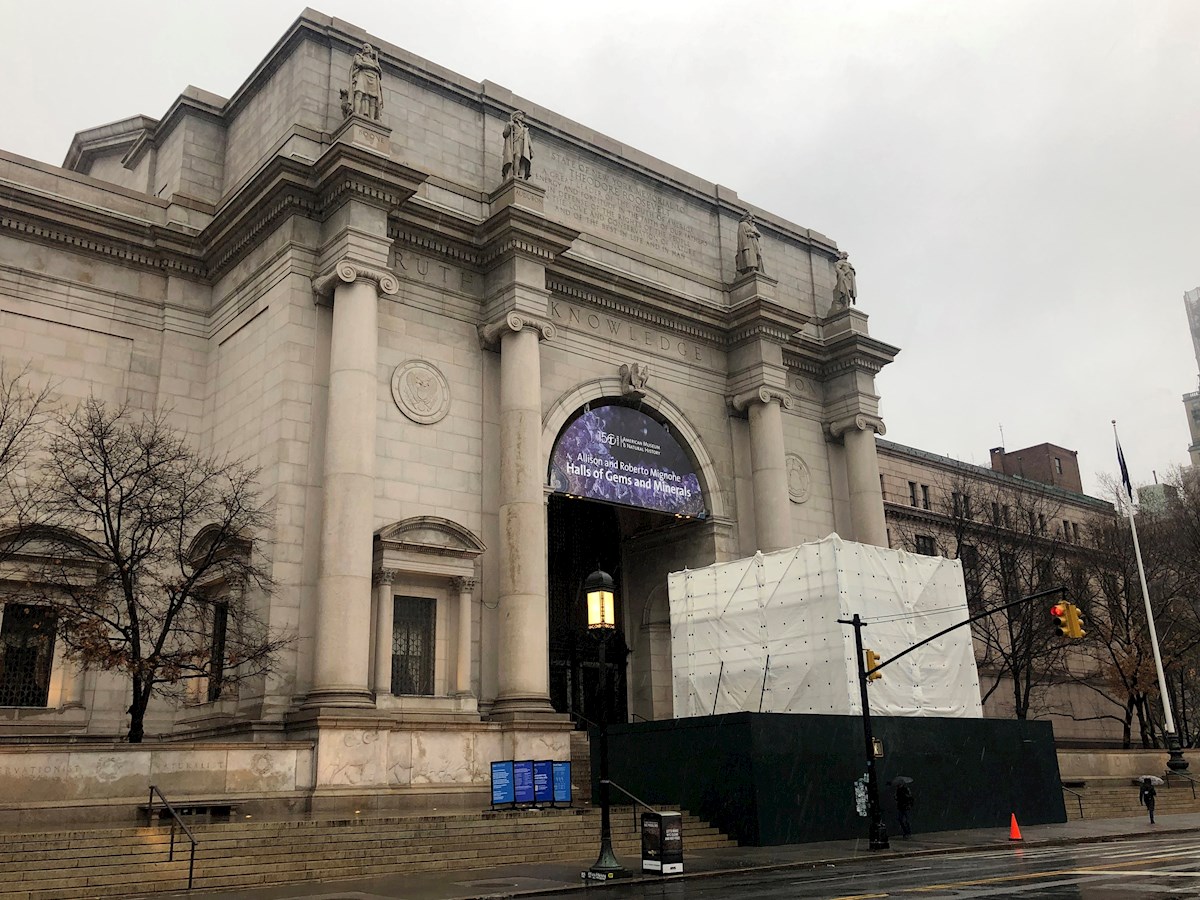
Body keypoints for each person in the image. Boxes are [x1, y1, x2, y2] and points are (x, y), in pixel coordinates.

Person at [503, 110, 533, 181]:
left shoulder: (524, 128)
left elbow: (528, 139)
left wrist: (531, 148)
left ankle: (521, 175)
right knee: (517, 156)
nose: (522, 117)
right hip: (516, 142)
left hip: (524, 144)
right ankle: (515, 174)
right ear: (516, 116)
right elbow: (505, 134)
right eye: (520, 115)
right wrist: (508, 126)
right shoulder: (512, 124)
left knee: (523, 159)